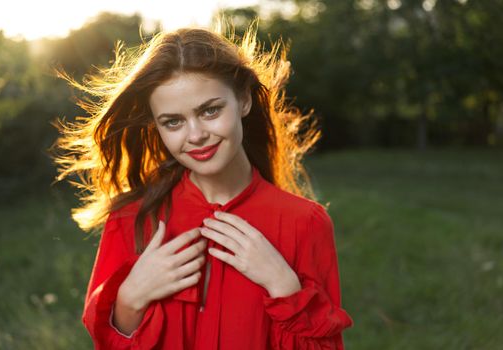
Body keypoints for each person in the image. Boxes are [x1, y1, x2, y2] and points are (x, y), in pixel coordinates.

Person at [52, 18, 353, 350]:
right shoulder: (130, 218)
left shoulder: (304, 223)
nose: (195, 135)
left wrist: (283, 286)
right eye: (173, 121)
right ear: (157, 126)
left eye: (210, 111)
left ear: (243, 100)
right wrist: (130, 299)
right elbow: (107, 342)